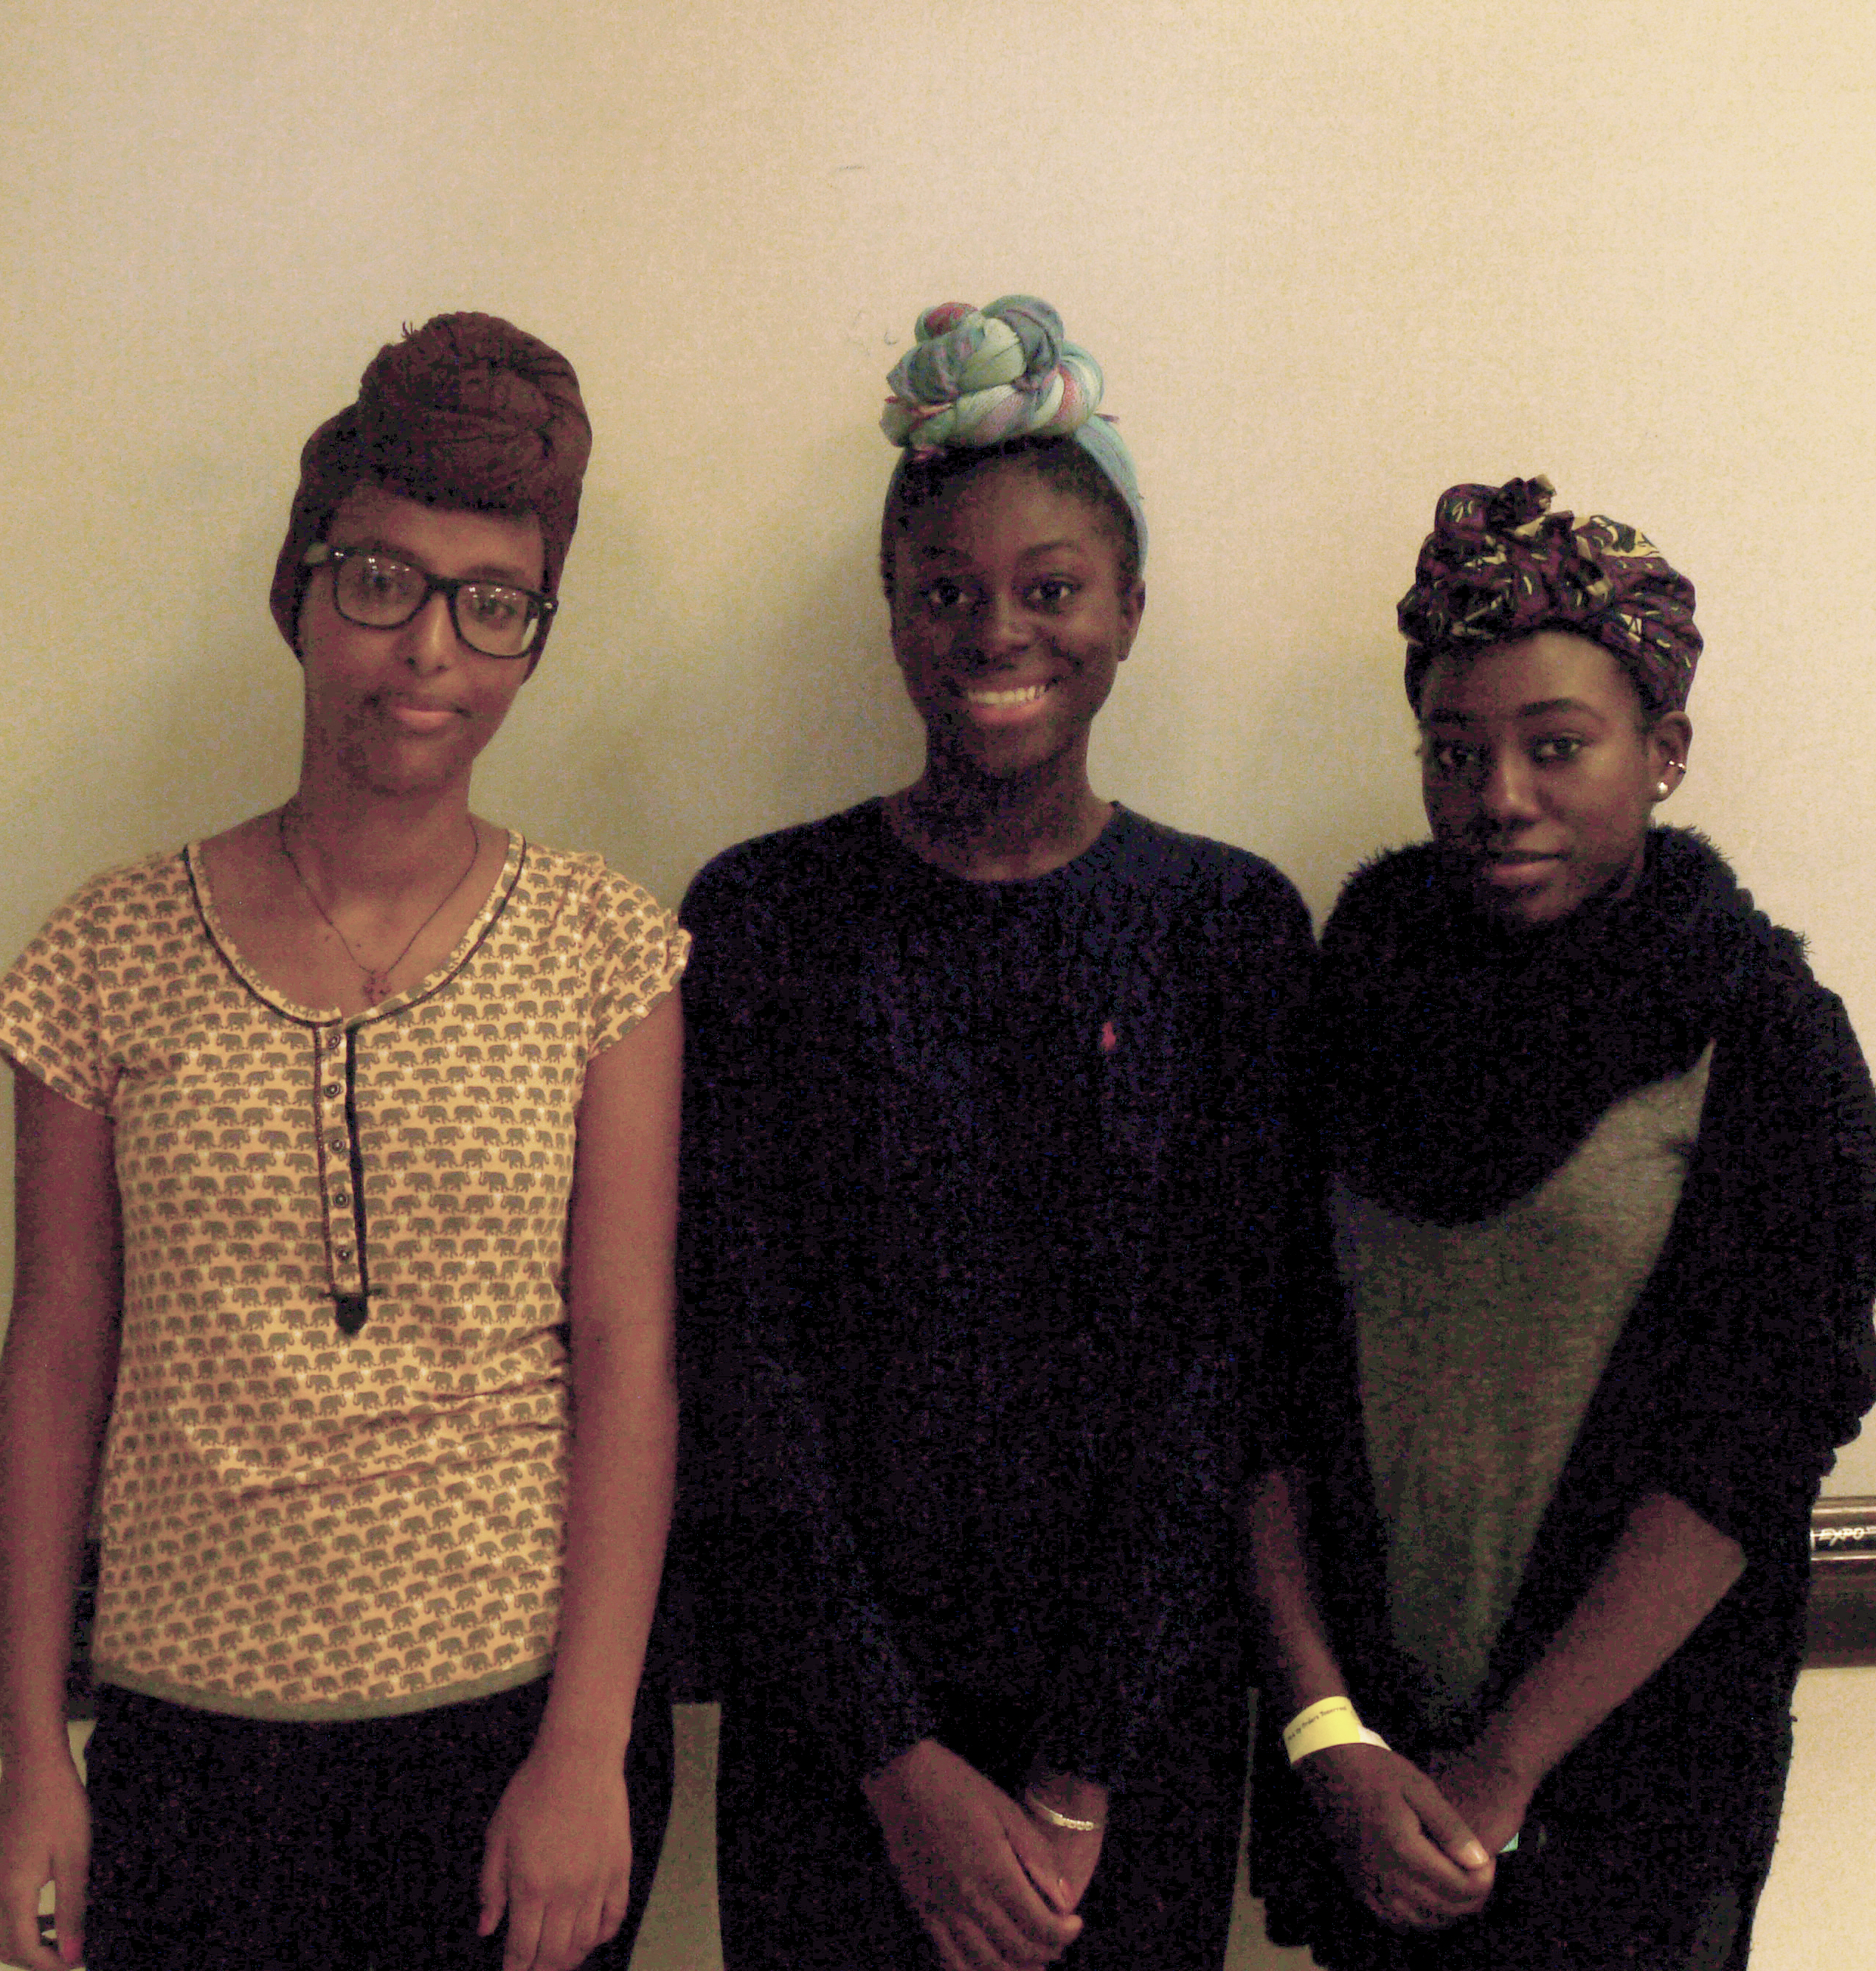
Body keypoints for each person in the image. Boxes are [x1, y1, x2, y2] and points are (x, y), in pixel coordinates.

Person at [0, 314, 684, 1971]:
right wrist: (26, 1754)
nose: (427, 646)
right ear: (299, 587)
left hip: (513, 1737)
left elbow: (628, 1351)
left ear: (528, 640)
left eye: (488, 603)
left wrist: (584, 1751)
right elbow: (55, 1354)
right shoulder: (102, 950)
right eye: (380, 578)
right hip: (190, 1740)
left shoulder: (605, 946)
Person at [676, 296, 1313, 1971]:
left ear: (1127, 609)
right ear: (892, 614)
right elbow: (740, 1359)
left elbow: (1220, 1368)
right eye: (945, 591)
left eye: (1050, 589)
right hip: (833, 1747)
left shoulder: (1227, 928)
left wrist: (1079, 1773)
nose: (996, 632)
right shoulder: (761, 919)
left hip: (1131, 1751)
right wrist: (894, 1763)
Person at [1247, 477, 1876, 1970]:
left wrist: (1501, 1768)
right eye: (1454, 753)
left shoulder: (1764, 1040)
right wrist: (1327, 1730)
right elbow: (1260, 1386)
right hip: (1360, 1783)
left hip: (1632, 1812)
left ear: (1662, 752)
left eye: (1555, 747)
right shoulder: (1338, 1012)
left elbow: (1753, 1445)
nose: (1499, 796)